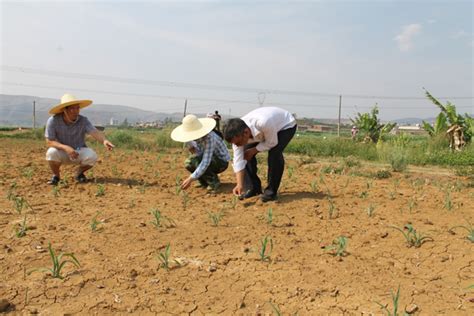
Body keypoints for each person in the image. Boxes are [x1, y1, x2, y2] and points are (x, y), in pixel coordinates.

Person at [223, 107, 297, 202]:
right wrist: (239, 184)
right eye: (235, 144)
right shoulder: (237, 135)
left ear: (245, 133)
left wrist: (254, 150)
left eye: (238, 143)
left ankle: (271, 192)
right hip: (266, 129)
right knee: (245, 152)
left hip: (285, 125)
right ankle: (253, 188)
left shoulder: (263, 123)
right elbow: (238, 160)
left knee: (275, 153)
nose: (237, 146)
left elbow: (272, 142)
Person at [45, 94, 115, 185]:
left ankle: (79, 173)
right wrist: (66, 148)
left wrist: (104, 141)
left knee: (92, 156)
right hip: (62, 151)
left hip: (78, 150)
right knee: (51, 153)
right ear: (64, 110)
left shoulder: (83, 121)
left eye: (77, 108)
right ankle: (56, 176)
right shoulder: (53, 121)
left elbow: (94, 132)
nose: (75, 111)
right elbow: (49, 141)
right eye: (72, 109)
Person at [171, 114, 230, 191]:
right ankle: (204, 182)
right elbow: (197, 153)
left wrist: (190, 179)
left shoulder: (209, 137)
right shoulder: (189, 138)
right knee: (189, 163)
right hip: (209, 159)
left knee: (197, 160)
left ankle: (214, 182)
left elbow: (205, 161)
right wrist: (192, 149)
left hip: (221, 162)